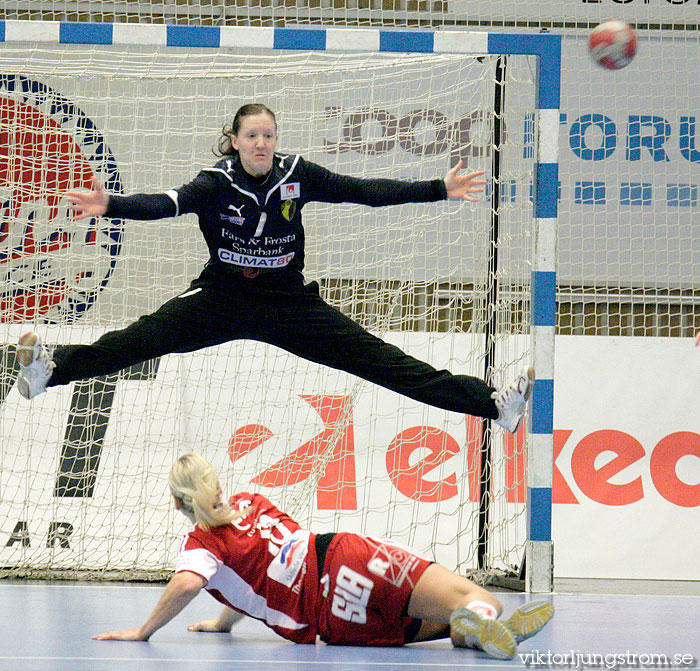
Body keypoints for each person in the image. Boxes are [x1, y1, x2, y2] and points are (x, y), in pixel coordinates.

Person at [15, 103, 533, 433]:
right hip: (221, 299)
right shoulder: (215, 183)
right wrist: (113, 205)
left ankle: (493, 405)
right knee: (138, 340)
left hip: (289, 304)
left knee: (383, 362)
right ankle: (50, 373)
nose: (262, 143)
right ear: (235, 141)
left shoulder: (297, 174)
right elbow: (166, 203)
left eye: (269, 135)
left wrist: (437, 189)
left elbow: (362, 192)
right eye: (252, 136)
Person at [92, 453, 554, 659]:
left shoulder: (200, 546)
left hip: (332, 623)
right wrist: (205, 623)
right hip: (341, 560)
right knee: (478, 600)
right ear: (217, 484)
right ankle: (482, 619)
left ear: (178, 504)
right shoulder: (253, 501)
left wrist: (146, 631)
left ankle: (475, 634)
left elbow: (207, 581)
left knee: (440, 625)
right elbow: (213, 578)